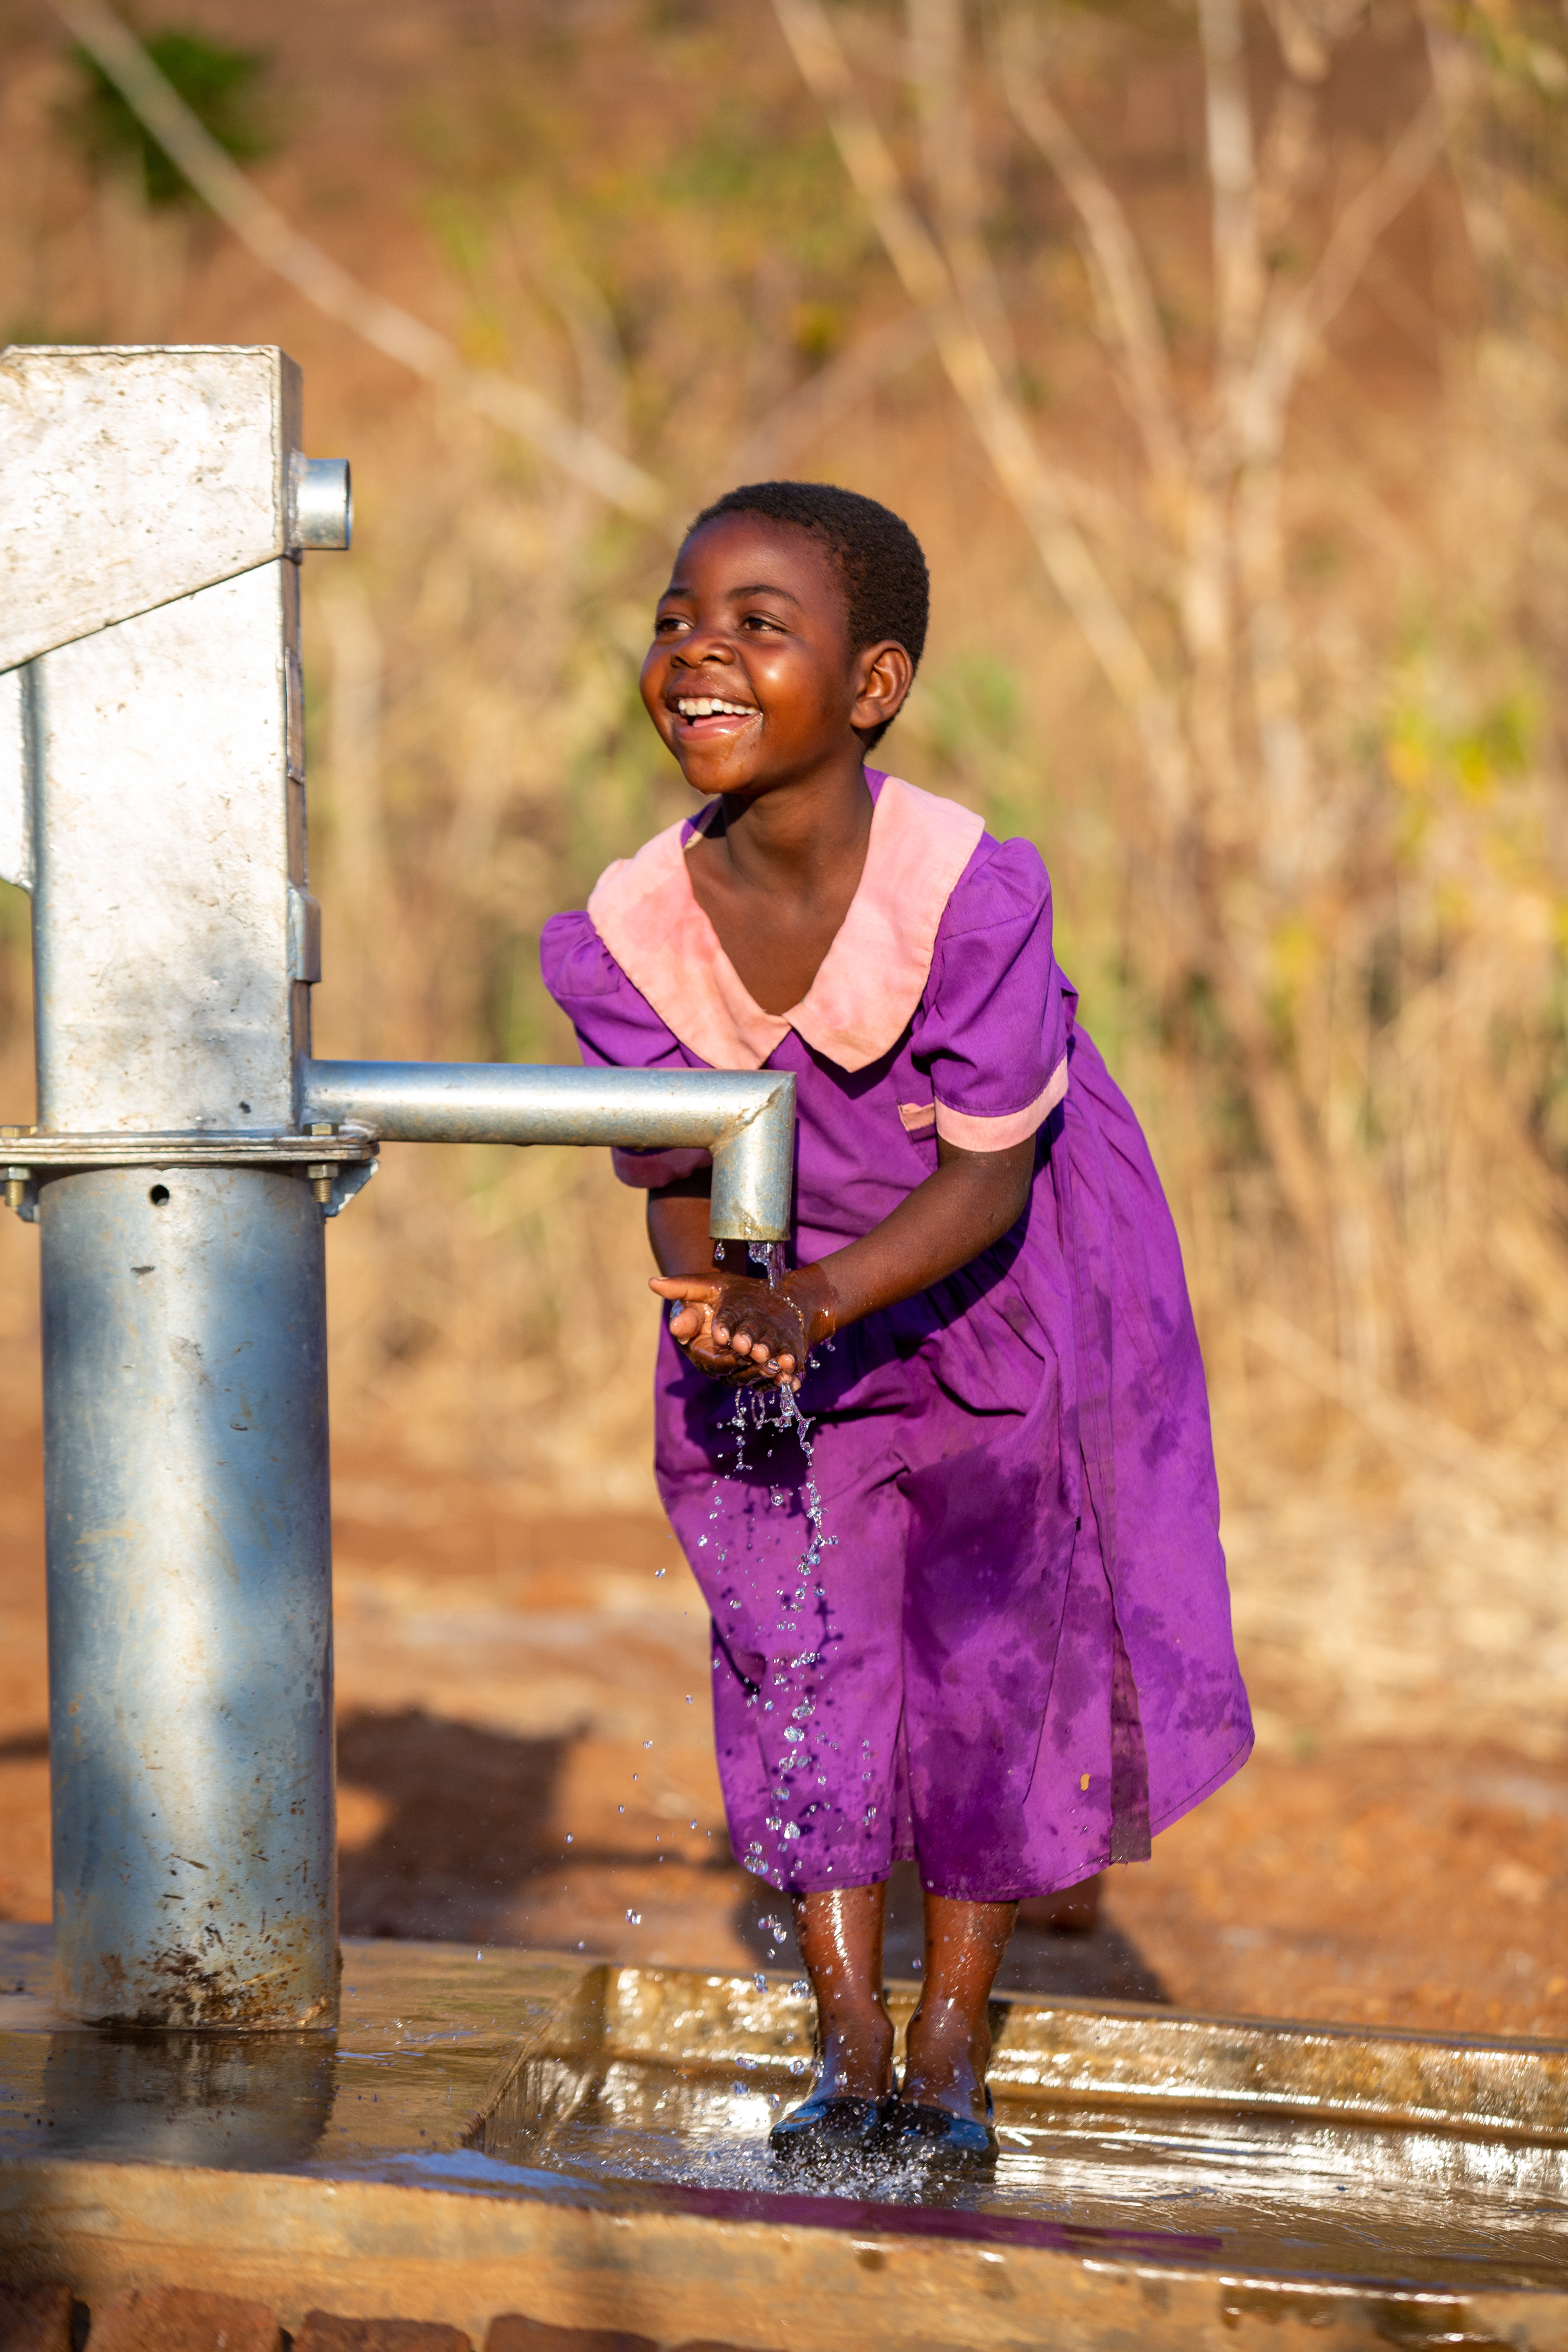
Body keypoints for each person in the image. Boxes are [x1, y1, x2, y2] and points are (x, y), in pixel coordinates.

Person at [540, 481, 1252, 2176]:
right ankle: (846, 2034)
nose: (699, 649)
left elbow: (989, 1187)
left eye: (757, 623)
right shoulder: (629, 934)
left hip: (992, 1295)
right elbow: (675, 1172)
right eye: (676, 619)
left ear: (873, 687)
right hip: (786, 1313)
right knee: (805, 1650)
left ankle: (949, 2041)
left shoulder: (973, 896)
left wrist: (813, 1299)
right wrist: (712, 1301)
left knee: (993, 1660)